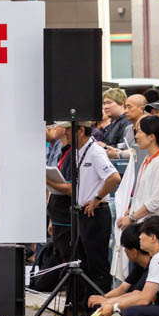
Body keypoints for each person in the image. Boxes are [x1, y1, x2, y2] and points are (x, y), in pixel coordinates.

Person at [46, 122, 121, 301]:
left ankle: (101, 307)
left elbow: (114, 177)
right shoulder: (78, 151)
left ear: (80, 131)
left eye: (70, 130)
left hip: (95, 213)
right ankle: (85, 304)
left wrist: (96, 198)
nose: (66, 133)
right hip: (82, 212)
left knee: (96, 262)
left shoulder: (95, 151)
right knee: (83, 261)